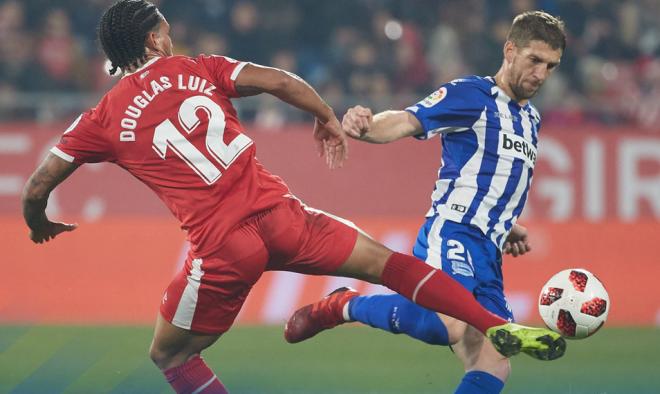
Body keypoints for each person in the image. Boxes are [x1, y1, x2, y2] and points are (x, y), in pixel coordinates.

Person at [21, 2, 564, 393]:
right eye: (164, 31)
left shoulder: (101, 117)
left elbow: (39, 182)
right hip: (284, 216)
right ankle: (463, 318)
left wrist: (38, 219)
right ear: (154, 41)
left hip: (222, 247)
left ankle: (369, 309)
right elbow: (278, 80)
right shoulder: (197, 68)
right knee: (390, 264)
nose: (170, 38)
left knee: (169, 354)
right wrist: (327, 116)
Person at [285, 10, 566, 394]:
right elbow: (406, 120)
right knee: (447, 324)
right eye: (535, 60)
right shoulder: (471, 95)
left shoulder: (531, 119)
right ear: (510, 50)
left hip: (488, 251)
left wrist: (506, 225)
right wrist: (366, 127)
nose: (541, 74)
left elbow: (494, 177)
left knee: (493, 362)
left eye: (550, 66)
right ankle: (343, 305)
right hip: (451, 232)